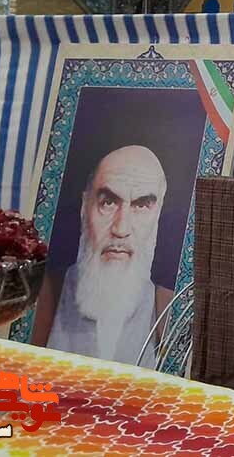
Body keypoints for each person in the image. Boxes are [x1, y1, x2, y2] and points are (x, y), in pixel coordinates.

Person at [40, 145, 167, 367]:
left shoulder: (169, 310)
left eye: (141, 205)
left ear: (157, 216)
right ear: (84, 208)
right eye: (108, 203)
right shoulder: (42, 297)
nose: (121, 228)